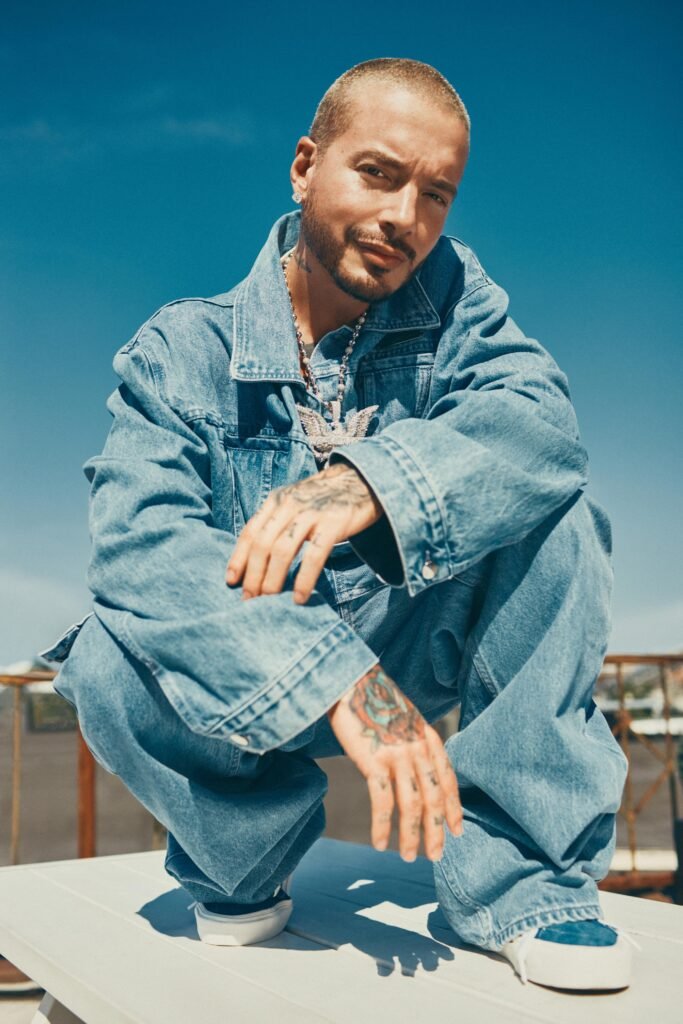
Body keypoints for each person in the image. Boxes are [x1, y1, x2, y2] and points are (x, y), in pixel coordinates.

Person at [41, 57, 638, 991]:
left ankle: (519, 883)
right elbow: (139, 545)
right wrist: (339, 682)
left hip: (412, 640)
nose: (406, 217)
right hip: (250, 679)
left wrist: (369, 481)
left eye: (435, 193)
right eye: (378, 173)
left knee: (554, 510)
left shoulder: (455, 299)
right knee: (109, 650)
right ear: (304, 166)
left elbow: (540, 426)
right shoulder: (181, 349)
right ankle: (242, 857)